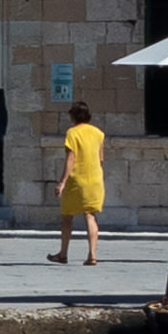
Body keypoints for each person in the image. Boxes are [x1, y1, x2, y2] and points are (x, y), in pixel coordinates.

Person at [47, 101, 109, 266]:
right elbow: (101, 158)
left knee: (67, 216)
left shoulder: (72, 133)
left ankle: (63, 253)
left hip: (77, 179)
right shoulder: (98, 133)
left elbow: (71, 158)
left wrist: (62, 182)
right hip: (95, 179)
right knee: (90, 215)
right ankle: (92, 255)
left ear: (73, 116)